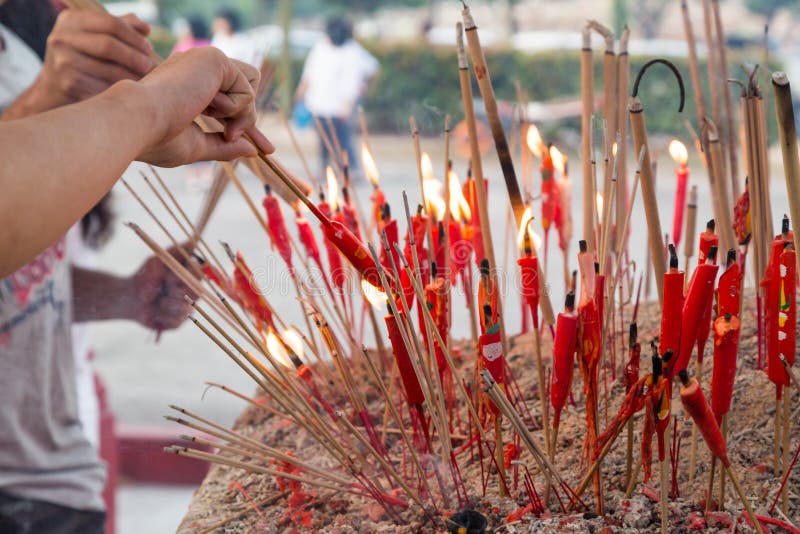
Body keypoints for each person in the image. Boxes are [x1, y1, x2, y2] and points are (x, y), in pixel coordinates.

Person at [0, 8, 272, 532]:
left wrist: (124, 295)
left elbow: (24, 269)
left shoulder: (27, 40)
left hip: (56, 472)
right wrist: (145, 108)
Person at [295, 16, 378, 174]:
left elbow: (364, 74)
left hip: (342, 105)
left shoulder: (353, 51)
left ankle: (350, 169)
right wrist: (301, 92)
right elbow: (309, 73)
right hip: (319, 103)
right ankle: (326, 168)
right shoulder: (320, 48)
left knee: (343, 139)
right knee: (324, 140)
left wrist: (362, 90)